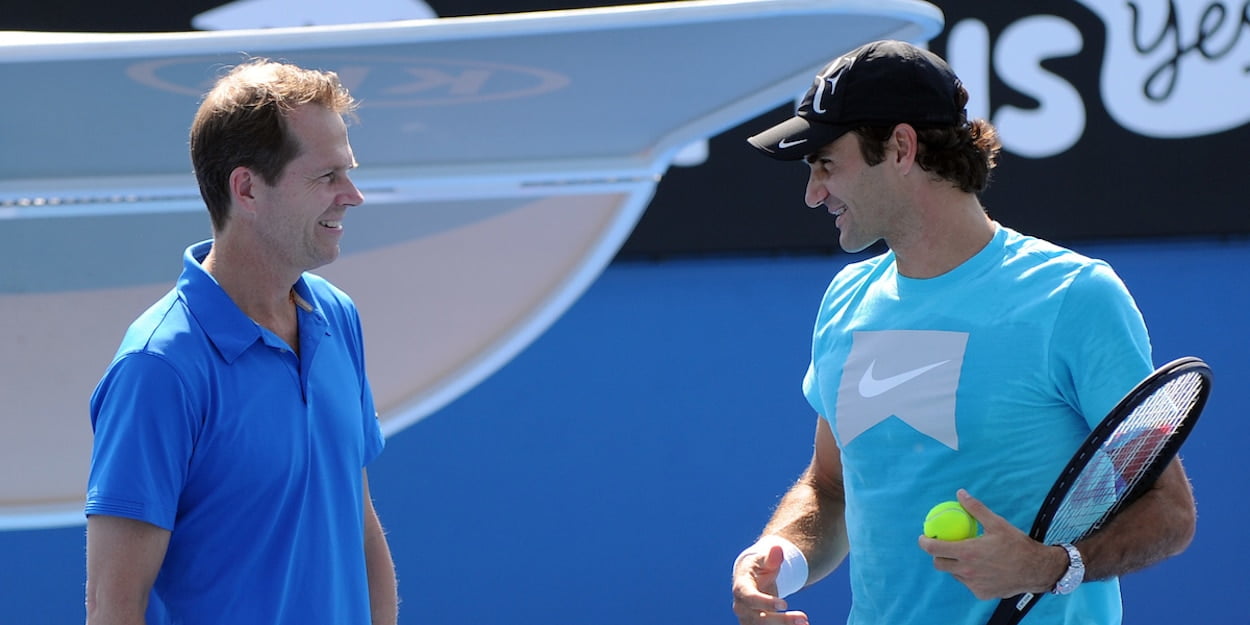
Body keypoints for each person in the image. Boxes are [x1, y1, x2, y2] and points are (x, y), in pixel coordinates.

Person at [730, 40, 1195, 625]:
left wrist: (1049, 566)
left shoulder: (1075, 296)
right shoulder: (845, 299)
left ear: (900, 147)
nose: (813, 192)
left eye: (827, 163)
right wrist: (779, 558)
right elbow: (833, 486)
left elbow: (1169, 512)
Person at [85, 59, 398, 625]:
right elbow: (114, 607)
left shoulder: (336, 316)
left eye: (348, 172)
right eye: (327, 176)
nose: (352, 195)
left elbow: (357, 519)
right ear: (247, 189)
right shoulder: (157, 368)